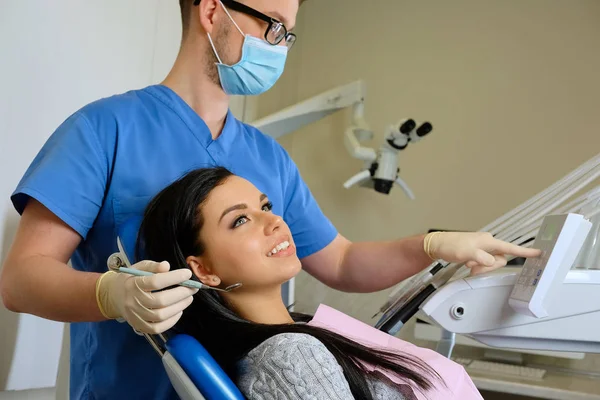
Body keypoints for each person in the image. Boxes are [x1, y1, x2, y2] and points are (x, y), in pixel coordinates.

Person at [0, 0, 540, 398]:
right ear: (213, 12)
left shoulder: (266, 156)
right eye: (273, 28)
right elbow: (22, 279)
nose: (280, 46)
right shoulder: (103, 130)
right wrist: (113, 296)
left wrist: (436, 243)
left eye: (289, 35)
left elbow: (342, 260)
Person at [134, 166, 482, 400]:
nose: (274, 221)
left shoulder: (293, 336)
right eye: (240, 220)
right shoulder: (288, 356)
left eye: (265, 206)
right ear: (204, 270)